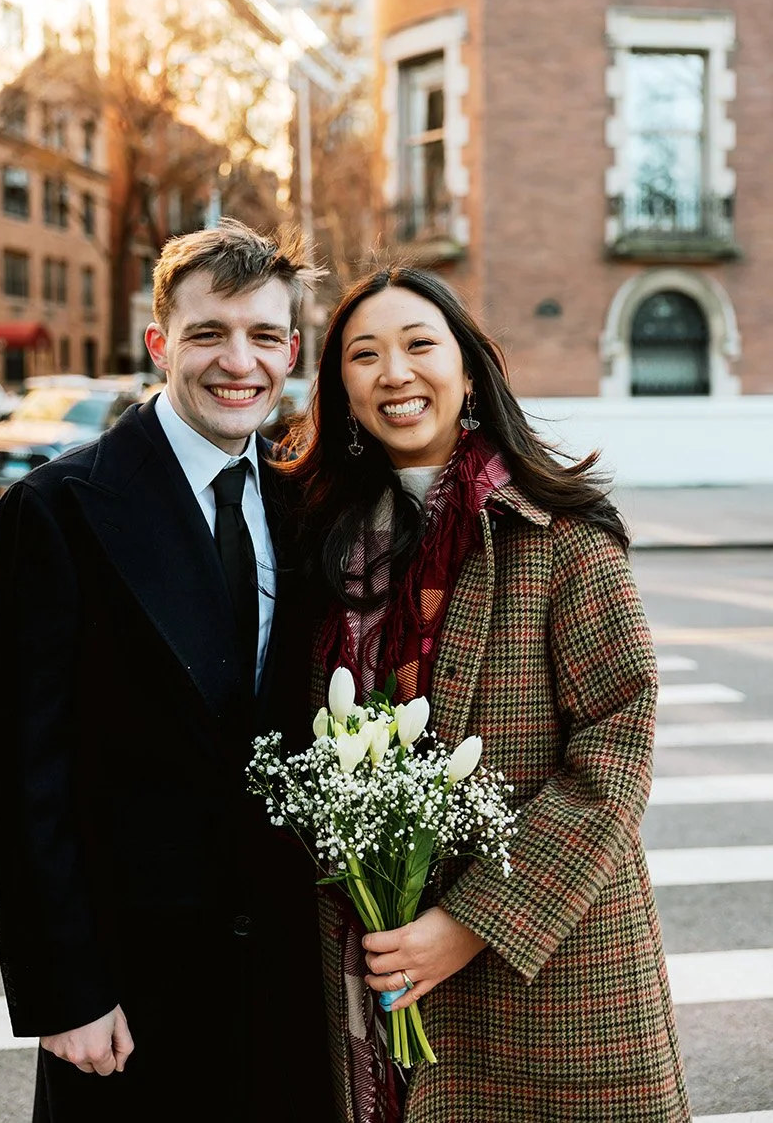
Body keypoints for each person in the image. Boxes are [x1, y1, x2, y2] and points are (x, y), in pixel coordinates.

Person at [277, 265, 692, 1123]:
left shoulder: (559, 533)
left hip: (547, 971)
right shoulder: (323, 546)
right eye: (364, 354)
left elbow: (615, 750)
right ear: (340, 391)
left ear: (469, 370)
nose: (395, 372)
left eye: (419, 345)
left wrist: (464, 926)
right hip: (376, 959)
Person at [0, 219, 334, 1122]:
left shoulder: (304, 508)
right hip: (127, 995)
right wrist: (65, 990)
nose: (237, 362)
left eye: (263, 336)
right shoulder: (54, 511)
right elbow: (23, 778)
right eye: (209, 333)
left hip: (282, 989)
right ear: (160, 341)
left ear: (291, 350)